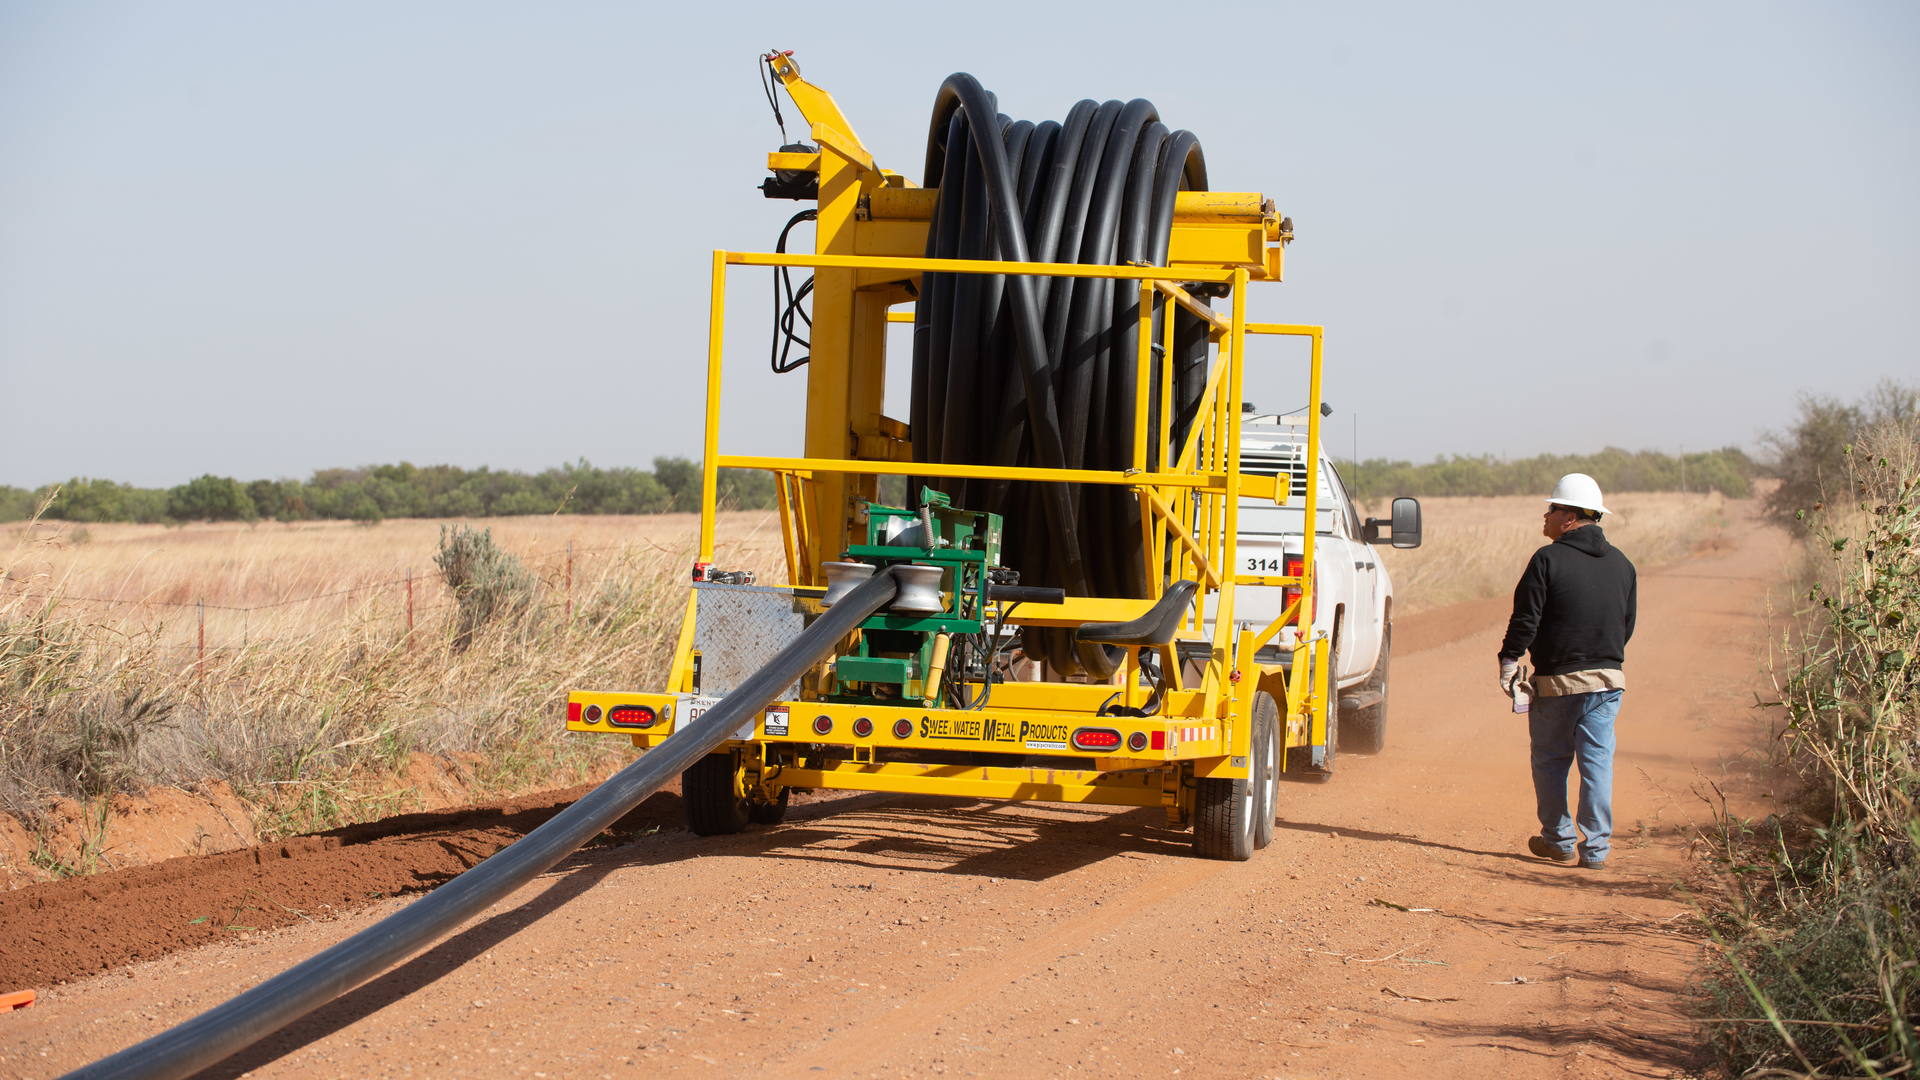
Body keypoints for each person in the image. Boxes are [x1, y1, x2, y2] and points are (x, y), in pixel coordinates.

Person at [1498, 473, 1636, 870]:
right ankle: (1595, 851)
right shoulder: (1623, 564)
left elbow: (1526, 619)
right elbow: (1625, 625)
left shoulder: (1547, 560)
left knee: (1550, 760)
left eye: (1553, 508)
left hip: (1557, 682)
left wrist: (1509, 661)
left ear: (1571, 517)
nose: (1546, 515)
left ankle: (1559, 841)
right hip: (1608, 682)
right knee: (1597, 763)